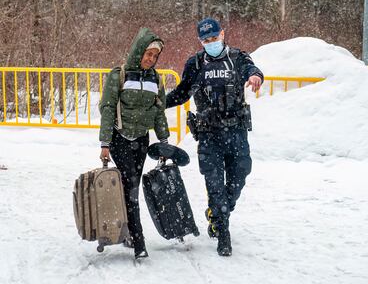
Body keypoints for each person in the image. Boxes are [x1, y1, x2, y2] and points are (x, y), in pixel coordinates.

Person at [166, 17, 263, 256]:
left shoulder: (238, 58)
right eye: (205, 40)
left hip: (236, 132)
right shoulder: (195, 63)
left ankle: (217, 213)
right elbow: (181, 94)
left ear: (222, 34)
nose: (211, 42)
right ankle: (223, 232)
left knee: (240, 175)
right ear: (200, 41)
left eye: (214, 37)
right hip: (209, 135)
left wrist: (255, 77)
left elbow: (253, 69)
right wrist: (159, 103)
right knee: (215, 185)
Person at [99, 27, 169, 259]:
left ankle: (129, 232)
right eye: (147, 54)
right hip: (120, 139)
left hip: (141, 140)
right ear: (138, 52)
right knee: (130, 189)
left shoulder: (156, 79)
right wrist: (105, 143)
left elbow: (159, 112)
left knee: (133, 188)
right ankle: (139, 243)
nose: (150, 59)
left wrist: (164, 140)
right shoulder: (118, 75)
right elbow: (108, 109)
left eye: (155, 56)